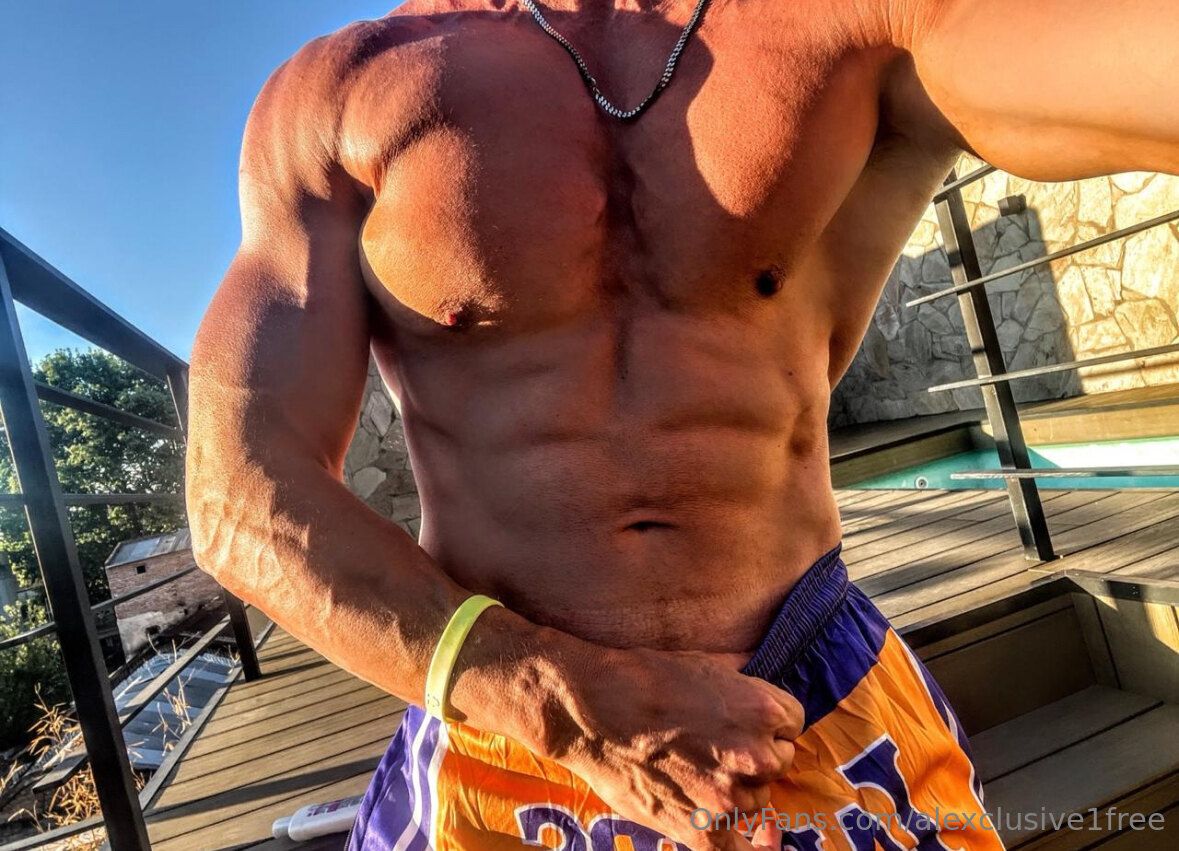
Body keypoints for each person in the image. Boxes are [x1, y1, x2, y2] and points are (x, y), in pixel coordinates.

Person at [185, 1, 1179, 848]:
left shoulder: (847, 22)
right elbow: (238, 493)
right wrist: (552, 699)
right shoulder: (343, 89)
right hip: (507, 733)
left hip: (817, 694)